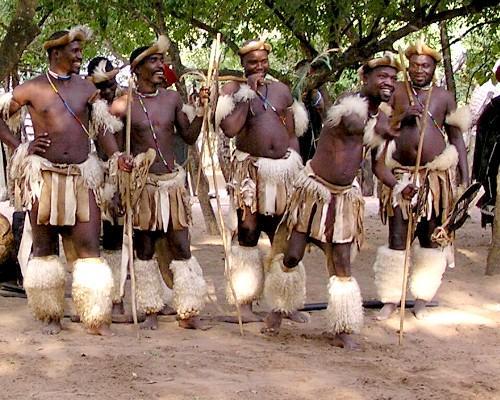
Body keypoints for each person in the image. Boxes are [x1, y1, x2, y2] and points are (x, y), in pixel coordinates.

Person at [259, 53, 400, 348]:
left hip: (344, 198)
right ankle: (279, 307)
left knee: (341, 262)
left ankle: (343, 328)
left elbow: (378, 166)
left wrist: (400, 187)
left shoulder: (380, 118)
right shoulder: (350, 105)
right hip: (314, 192)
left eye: (393, 78)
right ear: (366, 79)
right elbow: (353, 126)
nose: (388, 82)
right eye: (382, 77)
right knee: (292, 255)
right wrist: (391, 121)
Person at [0, 26, 131, 335]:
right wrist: (20, 146)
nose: (79, 55)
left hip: (81, 176)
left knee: (89, 247)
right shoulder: (31, 89)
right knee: (45, 248)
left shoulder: (87, 89)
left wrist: (116, 158)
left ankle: (94, 316)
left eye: (80, 50)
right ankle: (50, 316)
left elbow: (101, 129)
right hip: (44, 176)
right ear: (55, 52)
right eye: (74, 50)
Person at [109, 36, 208, 330]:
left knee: (181, 246)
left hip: (171, 183)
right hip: (144, 186)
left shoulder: (172, 98)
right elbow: (110, 143)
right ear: (136, 68)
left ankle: (188, 311)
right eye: (153, 61)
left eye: (160, 61)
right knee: (145, 248)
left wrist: (201, 110)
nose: (159, 66)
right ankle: (150, 309)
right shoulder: (123, 103)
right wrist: (120, 161)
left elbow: (189, 137)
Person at [372, 39, 471, 321]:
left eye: (424, 66)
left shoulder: (443, 97)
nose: (418, 70)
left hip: (434, 179)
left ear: (433, 68)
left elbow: (456, 139)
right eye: (414, 65)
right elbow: (380, 128)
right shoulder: (396, 92)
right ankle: (391, 298)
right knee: (397, 237)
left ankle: (421, 298)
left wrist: (465, 174)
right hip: (402, 175)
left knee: (429, 236)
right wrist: (402, 117)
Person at [215, 39, 309, 323]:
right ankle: (244, 303)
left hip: (283, 173)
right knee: (248, 232)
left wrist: (296, 162)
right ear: (243, 65)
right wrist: (247, 95)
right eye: (252, 63)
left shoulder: (281, 90)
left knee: (282, 234)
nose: (259, 67)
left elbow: (292, 133)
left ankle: (285, 303)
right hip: (250, 173)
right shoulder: (232, 91)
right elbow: (230, 129)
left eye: (263, 61)